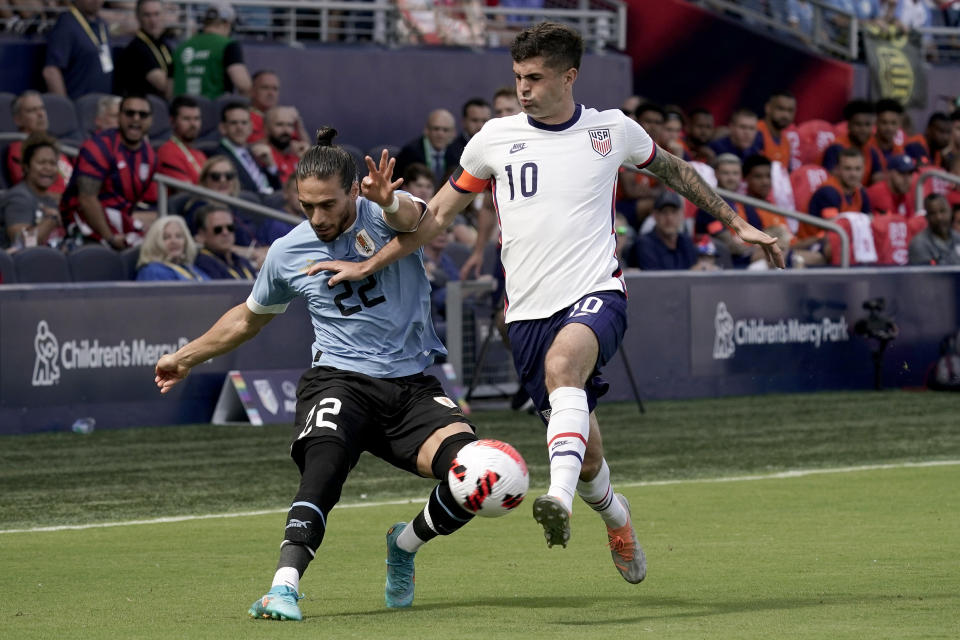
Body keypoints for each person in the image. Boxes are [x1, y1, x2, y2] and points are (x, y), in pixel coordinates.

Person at [306, 22, 782, 585]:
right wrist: (374, 247)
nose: (523, 88)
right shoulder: (493, 139)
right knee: (590, 454)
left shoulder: (612, 131)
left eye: (534, 78)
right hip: (527, 314)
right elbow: (432, 218)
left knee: (564, 368)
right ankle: (616, 515)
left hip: (596, 291)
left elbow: (674, 170)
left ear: (569, 76)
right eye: (517, 77)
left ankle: (554, 497)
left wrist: (738, 224)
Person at [154, 129, 490, 620]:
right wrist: (185, 357)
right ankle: (282, 587)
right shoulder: (287, 252)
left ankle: (405, 543)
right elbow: (249, 317)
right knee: (323, 469)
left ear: (355, 190)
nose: (318, 218)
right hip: (338, 380)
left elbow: (420, 220)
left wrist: (390, 198)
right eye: (307, 206)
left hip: (411, 385)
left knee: (476, 479)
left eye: (327, 205)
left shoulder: (386, 213)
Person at [60, 93, 157, 250]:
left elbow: (130, 204)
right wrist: (110, 239)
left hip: (120, 223)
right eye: (129, 113)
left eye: (143, 114)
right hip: (83, 225)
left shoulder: (150, 156)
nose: (136, 119)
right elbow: (86, 199)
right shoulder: (97, 148)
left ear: (151, 120)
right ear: (119, 117)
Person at [172, 1, 251, 99]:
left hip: (181, 110)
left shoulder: (182, 47)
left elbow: (169, 88)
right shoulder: (228, 45)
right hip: (213, 109)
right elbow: (243, 84)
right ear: (227, 24)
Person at [695, 153, 762, 268]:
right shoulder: (708, 204)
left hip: (749, 260)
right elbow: (729, 245)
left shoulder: (745, 204)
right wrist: (756, 250)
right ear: (716, 174)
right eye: (725, 173)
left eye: (735, 173)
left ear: (741, 176)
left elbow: (760, 234)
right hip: (725, 264)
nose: (731, 178)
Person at [0, 132, 63, 250]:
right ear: (26, 167)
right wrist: (51, 219)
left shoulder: (51, 200)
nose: (48, 168)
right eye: (41, 162)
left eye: (52, 163)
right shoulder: (18, 198)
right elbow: (23, 243)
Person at [5, 90, 73, 195]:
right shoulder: (20, 148)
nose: (40, 114)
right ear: (18, 120)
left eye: (42, 108)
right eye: (32, 110)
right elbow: (31, 191)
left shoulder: (50, 145)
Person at [42, 0, 113, 99]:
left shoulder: (102, 25)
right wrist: (65, 107)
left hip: (103, 105)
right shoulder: (66, 25)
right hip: (78, 105)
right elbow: (51, 72)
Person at [216, 102, 281, 195]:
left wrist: (271, 166)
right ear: (223, 128)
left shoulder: (255, 153)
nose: (240, 127)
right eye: (234, 123)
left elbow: (278, 190)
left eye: (244, 123)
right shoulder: (216, 154)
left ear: (250, 127)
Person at [113, 0, 172, 99]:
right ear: (138, 17)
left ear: (164, 15)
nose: (153, 20)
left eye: (157, 14)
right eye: (147, 15)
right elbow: (165, 86)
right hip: (143, 107)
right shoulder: (136, 48)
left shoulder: (164, 44)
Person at [629, 190, 698, 270]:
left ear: (681, 215)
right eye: (664, 212)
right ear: (655, 215)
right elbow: (658, 280)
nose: (669, 218)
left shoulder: (686, 241)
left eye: (674, 212)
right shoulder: (644, 243)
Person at [822, 99, 882, 185]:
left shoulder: (872, 151)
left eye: (867, 125)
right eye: (858, 124)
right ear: (849, 126)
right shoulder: (836, 148)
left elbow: (878, 180)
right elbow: (832, 181)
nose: (863, 129)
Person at [395, 108, 460, 184]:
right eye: (436, 129)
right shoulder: (410, 153)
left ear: (454, 133)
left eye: (445, 130)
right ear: (426, 130)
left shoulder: (458, 154)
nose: (440, 134)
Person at [193, 204, 257, 279]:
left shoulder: (242, 261)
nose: (225, 233)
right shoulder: (203, 264)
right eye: (218, 229)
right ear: (202, 235)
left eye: (230, 228)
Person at [135, 214, 209, 280]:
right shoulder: (152, 272)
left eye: (179, 236)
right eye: (166, 237)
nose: (174, 241)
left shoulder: (190, 268)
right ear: (155, 243)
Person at [247, 70, 310, 144]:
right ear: (252, 91)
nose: (271, 93)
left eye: (275, 89)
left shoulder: (284, 118)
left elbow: (306, 150)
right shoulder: (243, 118)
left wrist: (298, 125)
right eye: (265, 87)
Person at [156, 95, 207, 186]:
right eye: (186, 119)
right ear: (172, 121)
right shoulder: (168, 152)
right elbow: (186, 191)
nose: (193, 124)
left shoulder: (199, 154)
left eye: (196, 118)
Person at [867, 153, 917, 217]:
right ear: (889, 173)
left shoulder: (906, 193)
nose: (906, 179)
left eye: (910, 173)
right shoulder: (878, 193)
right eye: (902, 173)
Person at [867, 98, 906, 174]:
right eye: (884, 122)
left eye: (893, 123)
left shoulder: (900, 151)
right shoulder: (866, 146)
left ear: (899, 125)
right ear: (876, 122)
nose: (889, 128)